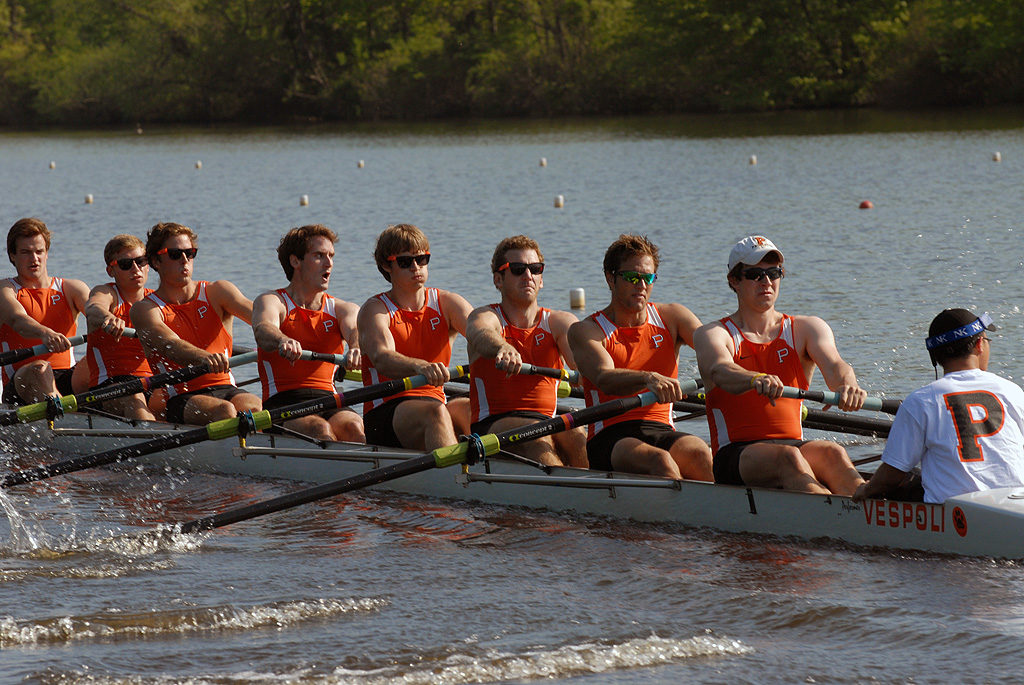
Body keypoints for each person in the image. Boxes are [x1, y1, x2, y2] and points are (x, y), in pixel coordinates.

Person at [693, 235, 866, 495]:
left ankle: (872, 518)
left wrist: (848, 386)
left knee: (833, 452)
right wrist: (754, 379)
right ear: (734, 280)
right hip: (736, 455)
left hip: (791, 445)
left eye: (773, 273)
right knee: (789, 459)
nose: (766, 282)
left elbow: (836, 366)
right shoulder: (713, 333)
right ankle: (840, 522)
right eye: (754, 274)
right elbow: (720, 370)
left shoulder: (806, 328)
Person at [568, 234, 712, 478]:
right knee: (661, 461)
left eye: (648, 277)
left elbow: (715, 348)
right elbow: (604, 377)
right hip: (610, 434)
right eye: (632, 277)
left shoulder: (673, 317)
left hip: (661, 427)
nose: (641, 285)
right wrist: (648, 378)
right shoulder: (587, 330)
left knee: (702, 453)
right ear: (610, 278)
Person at [854, 309, 1024, 504]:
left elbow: (893, 473)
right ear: (979, 345)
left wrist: (866, 490)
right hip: (1014, 505)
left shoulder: (920, 400)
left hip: (954, 512)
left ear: (935, 357)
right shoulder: (1013, 391)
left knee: (911, 481)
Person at [466, 235, 587, 467]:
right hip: (492, 426)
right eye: (518, 269)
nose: (528, 275)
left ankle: (594, 489)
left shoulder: (560, 322)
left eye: (535, 269)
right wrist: (503, 347)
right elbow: (480, 334)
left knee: (577, 433)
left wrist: (588, 373)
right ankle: (569, 490)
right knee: (536, 433)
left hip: (544, 421)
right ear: (498, 280)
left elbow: (583, 366)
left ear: (541, 279)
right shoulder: (485, 317)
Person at [131, 222, 261, 425]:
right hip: (178, 396)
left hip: (226, 386)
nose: (185, 260)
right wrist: (205, 358)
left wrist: (283, 338)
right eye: (175, 254)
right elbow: (171, 345)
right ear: (156, 261)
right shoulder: (144, 310)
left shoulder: (218, 292)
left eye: (190, 253)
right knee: (225, 410)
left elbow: (261, 317)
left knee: (253, 405)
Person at [357, 223, 472, 450]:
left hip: (434, 399)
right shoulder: (375, 310)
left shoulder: (448, 303)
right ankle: (457, 481)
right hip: (386, 409)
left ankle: (496, 475)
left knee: (471, 409)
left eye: (422, 259)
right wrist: (420, 366)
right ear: (385, 265)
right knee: (436, 412)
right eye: (405, 262)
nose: (416, 267)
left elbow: (484, 333)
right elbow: (382, 357)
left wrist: (502, 349)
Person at [252, 224, 364, 442]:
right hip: (283, 402)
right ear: (296, 261)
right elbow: (263, 330)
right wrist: (283, 339)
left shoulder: (342, 309)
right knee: (319, 429)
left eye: (331, 256)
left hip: (330, 398)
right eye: (319, 255)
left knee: (354, 428)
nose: (329, 263)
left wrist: (356, 347)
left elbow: (356, 330)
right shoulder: (273, 301)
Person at [0, 218, 89, 404]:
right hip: (21, 382)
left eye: (39, 251)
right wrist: (45, 333)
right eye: (25, 252)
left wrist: (110, 320)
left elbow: (96, 311)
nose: (34, 259)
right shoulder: (6, 290)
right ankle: (66, 418)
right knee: (41, 368)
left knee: (94, 363)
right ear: (12, 256)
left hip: (66, 376)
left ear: (47, 253)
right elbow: (18, 320)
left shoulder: (72, 288)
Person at [73, 234, 155, 420]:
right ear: (111, 271)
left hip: (154, 383)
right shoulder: (107, 293)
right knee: (134, 396)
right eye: (126, 264)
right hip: (109, 387)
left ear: (148, 264)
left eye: (141, 261)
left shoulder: (157, 300)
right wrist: (108, 317)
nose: (136, 269)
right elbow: (93, 307)